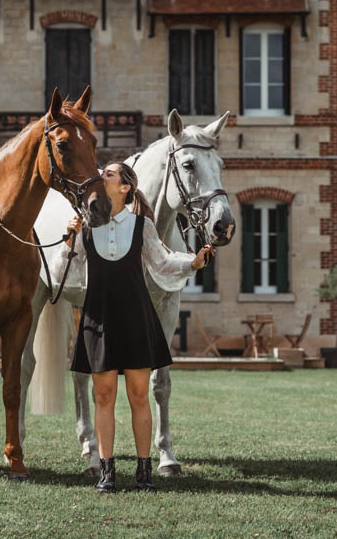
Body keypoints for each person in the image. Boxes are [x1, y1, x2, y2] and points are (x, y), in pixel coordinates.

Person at [54, 161, 214, 493]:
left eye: (109, 174)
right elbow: (60, 273)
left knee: (140, 394)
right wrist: (68, 240)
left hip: (135, 317)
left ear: (125, 187)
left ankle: (144, 472)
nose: (101, 176)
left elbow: (163, 262)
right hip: (97, 318)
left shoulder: (143, 226)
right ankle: (106, 471)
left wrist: (194, 262)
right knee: (103, 395)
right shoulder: (84, 227)